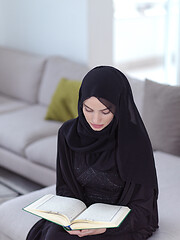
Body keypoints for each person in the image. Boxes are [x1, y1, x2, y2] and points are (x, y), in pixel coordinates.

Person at [27, 66, 159, 240]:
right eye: (88, 109)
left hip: (117, 223)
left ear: (119, 108)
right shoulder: (68, 134)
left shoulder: (135, 142)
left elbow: (143, 211)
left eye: (105, 111)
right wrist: (70, 218)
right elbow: (65, 189)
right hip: (79, 218)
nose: (95, 120)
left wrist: (104, 228)